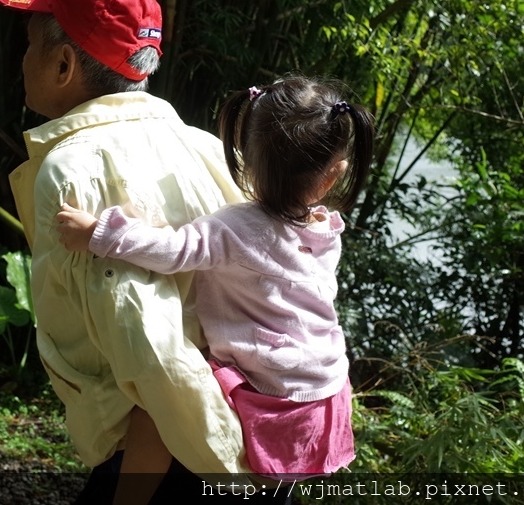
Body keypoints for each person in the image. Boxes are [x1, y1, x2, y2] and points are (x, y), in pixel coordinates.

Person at [0, 0, 263, 504]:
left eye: (29, 46)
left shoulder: (74, 168)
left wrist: (226, 474)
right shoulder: (203, 146)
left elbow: (151, 348)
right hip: (231, 421)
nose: (22, 61)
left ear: (64, 63)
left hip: (172, 448)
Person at [56, 75, 375, 481]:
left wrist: (98, 233)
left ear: (246, 154)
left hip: (274, 397)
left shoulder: (237, 227)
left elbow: (174, 251)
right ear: (334, 175)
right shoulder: (326, 229)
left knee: (156, 411)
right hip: (327, 391)